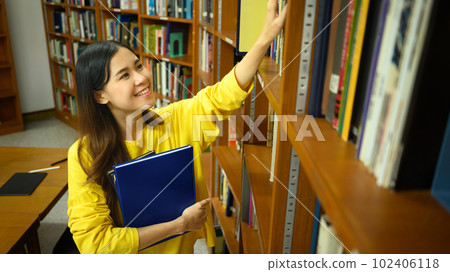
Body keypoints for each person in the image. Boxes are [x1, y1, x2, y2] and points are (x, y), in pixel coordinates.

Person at [68, 0, 288, 253]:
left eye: (139, 65)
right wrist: (179, 225)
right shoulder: (83, 155)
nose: (142, 78)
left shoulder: (175, 119)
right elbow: (95, 245)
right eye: (125, 75)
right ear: (100, 96)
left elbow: (223, 95)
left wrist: (264, 39)